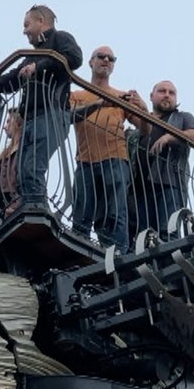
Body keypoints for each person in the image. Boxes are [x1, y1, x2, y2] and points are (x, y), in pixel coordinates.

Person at [0, 5, 82, 209]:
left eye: (27, 25)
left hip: (51, 114)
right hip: (31, 120)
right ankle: (32, 209)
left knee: (32, 168)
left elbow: (74, 58)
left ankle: (37, 211)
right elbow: (12, 79)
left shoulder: (60, 38)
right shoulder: (31, 55)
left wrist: (38, 67)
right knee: (23, 171)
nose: (24, 31)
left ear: (41, 21)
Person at [69, 46, 146, 252]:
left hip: (116, 160)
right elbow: (69, 116)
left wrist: (144, 108)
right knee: (82, 214)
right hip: (85, 162)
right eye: (101, 56)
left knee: (115, 213)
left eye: (111, 58)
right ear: (91, 62)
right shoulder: (77, 94)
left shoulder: (121, 96)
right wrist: (100, 104)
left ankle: (117, 256)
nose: (106, 60)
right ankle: (79, 255)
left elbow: (145, 129)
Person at [134, 80, 194, 236]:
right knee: (140, 237)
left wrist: (169, 137)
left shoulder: (182, 117)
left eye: (171, 93)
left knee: (168, 233)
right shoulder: (143, 122)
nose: (167, 95)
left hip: (169, 185)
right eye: (162, 91)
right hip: (140, 189)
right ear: (151, 96)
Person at [0, 110, 23, 216]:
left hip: (13, 202)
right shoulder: (5, 153)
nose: (5, 127)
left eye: (8, 121)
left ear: (18, 122)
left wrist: (17, 204)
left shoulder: (24, 149)